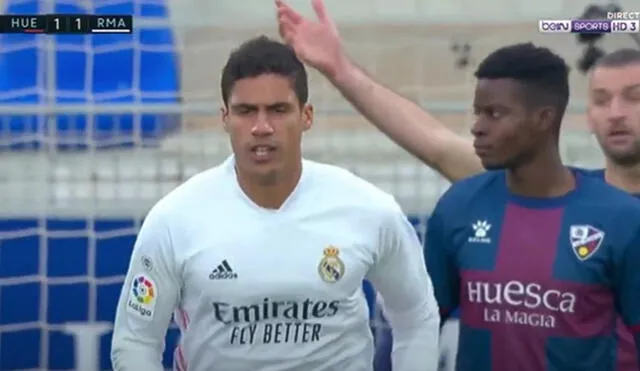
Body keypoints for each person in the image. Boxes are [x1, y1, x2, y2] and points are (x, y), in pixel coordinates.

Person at [275, 1, 640, 368]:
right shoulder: (523, 194)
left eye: (634, 96)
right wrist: (341, 69)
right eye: (601, 99)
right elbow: (436, 144)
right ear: (586, 114)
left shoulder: (619, 220)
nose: (617, 113)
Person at [110, 35, 440, 371]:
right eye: (245, 111)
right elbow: (135, 341)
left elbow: (417, 315)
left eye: (278, 110)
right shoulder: (174, 219)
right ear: (225, 118)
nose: (262, 127)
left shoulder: (369, 209)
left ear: (306, 116)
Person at [427, 43, 640, 370]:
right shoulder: (459, 206)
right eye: (478, 112)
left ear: (544, 119)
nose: (477, 127)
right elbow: (422, 321)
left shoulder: (621, 219)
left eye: (494, 114)